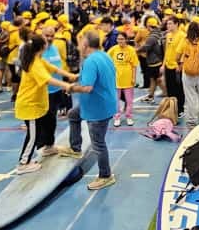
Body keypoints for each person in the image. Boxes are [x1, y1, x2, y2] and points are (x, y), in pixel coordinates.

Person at [60, 31, 117, 190]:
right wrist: (78, 76)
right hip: (101, 103)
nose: (77, 46)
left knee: (98, 144)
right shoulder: (103, 55)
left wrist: (71, 88)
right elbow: (95, 75)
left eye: (79, 42)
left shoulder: (90, 61)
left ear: (85, 44)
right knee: (73, 115)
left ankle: (106, 176)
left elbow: (87, 88)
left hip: (97, 109)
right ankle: (75, 148)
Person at [13, 34, 75, 174]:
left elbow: (54, 69)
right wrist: (67, 85)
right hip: (29, 105)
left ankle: (48, 148)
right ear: (42, 46)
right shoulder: (34, 64)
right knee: (33, 136)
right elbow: (48, 79)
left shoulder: (38, 59)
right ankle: (23, 163)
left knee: (42, 128)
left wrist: (70, 76)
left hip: (37, 104)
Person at [176, 21, 199, 128]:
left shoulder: (184, 40)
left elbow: (177, 56)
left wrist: (180, 63)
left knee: (190, 97)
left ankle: (192, 120)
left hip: (187, 72)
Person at [108, 32, 139, 127]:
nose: (120, 41)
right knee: (115, 100)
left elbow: (134, 66)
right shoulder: (113, 49)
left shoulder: (131, 50)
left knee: (129, 100)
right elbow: (106, 60)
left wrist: (133, 77)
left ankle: (129, 116)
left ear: (126, 39)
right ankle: (117, 117)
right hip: (116, 79)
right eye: (118, 39)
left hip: (128, 79)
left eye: (122, 39)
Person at [162, 16, 186, 115]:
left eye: (170, 23)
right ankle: (172, 108)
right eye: (167, 24)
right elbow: (167, 50)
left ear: (176, 24)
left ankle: (180, 109)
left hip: (177, 66)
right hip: (168, 65)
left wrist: (180, 64)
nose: (168, 25)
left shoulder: (182, 35)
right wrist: (163, 64)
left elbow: (184, 52)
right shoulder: (168, 35)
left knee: (179, 89)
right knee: (170, 88)